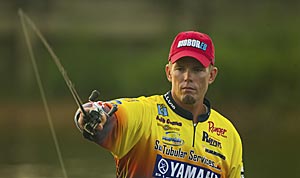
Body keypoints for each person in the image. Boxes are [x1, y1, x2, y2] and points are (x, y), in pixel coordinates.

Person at [74, 31, 245, 178]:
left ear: (211, 75)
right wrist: (93, 114)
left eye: (197, 70)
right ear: (169, 72)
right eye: (180, 69)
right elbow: (108, 112)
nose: (187, 77)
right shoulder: (145, 113)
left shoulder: (228, 135)